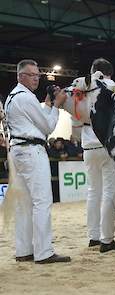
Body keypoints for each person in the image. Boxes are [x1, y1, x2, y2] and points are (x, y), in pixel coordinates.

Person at [4, 59, 71, 263]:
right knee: (42, 201)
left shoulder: (11, 97)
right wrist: (57, 106)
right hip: (32, 151)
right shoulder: (26, 97)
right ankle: (44, 252)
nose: (36, 79)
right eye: (32, 75)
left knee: (24, 204)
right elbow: (48, 126)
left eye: (37, 75)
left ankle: (24, 251)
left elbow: (38, 118)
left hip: (17, 151)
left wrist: (49, 103)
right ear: (20, 76)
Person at [82, 58, 115, 253]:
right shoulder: (114, 88)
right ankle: (107, 239)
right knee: (110, 192)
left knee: (93, 191)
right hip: (108, 145)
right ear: (110, 73)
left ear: (93, 71)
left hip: (88, 146)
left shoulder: (83, 89)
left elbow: (76, 119)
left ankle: (93, 237)